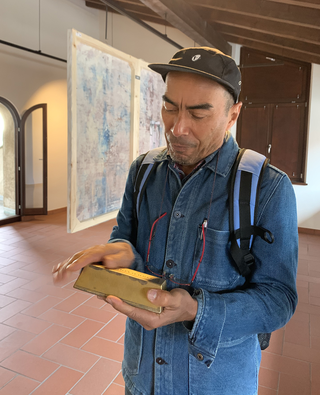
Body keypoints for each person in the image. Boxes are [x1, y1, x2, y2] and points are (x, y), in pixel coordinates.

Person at [53, 47, 298, 395]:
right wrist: (120, 253)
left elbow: (279, 299)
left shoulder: (268, 188)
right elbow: (125, 237)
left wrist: (195, 309)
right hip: (142, 378)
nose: (177, 127)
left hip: (217, 383)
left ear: (233, 115)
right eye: (170, 107)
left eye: (199, 114)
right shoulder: (143, 171)